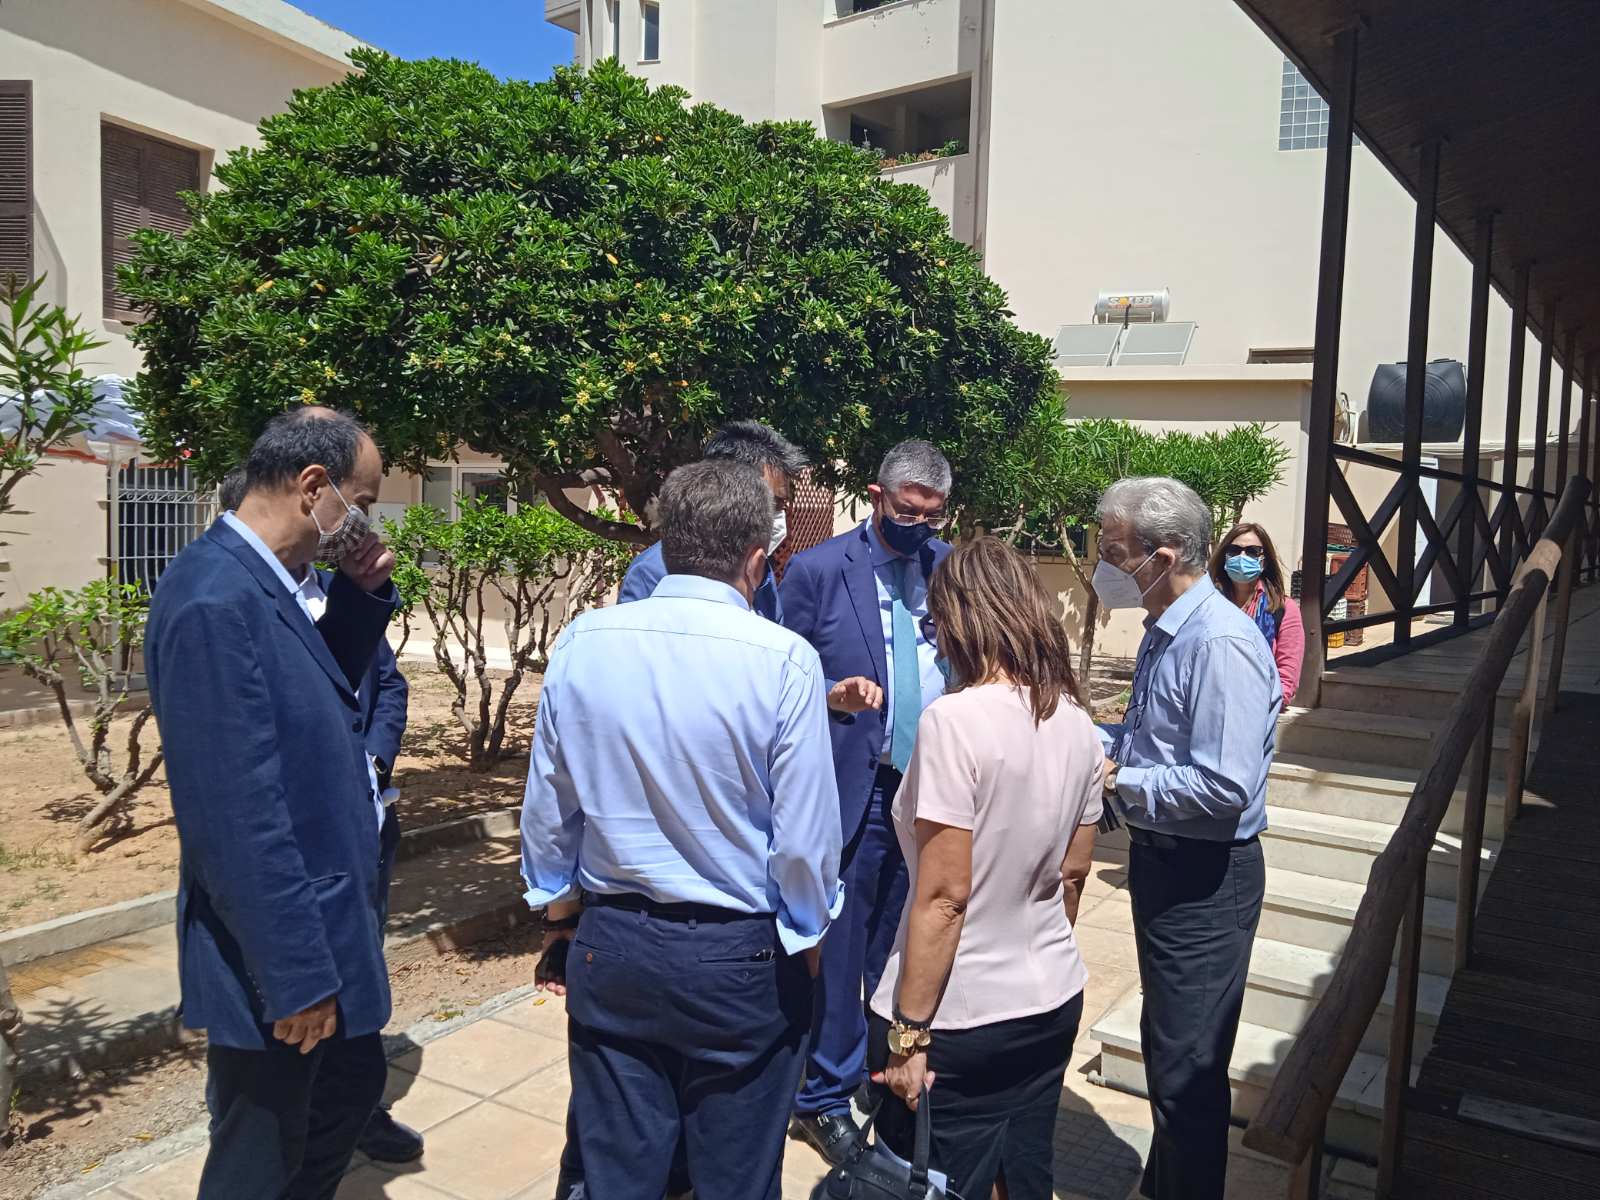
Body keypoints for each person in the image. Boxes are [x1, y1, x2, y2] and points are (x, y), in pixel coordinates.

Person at [520, 459, 844, 1200]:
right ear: (757, 558)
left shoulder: (583, 642)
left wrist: (559, 915)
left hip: (616, 945)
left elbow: (548, 811)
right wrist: (808, 936)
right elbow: (803, 843)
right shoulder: (785, 660)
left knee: (616, 1174)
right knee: (736, 1178)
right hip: (740, 959)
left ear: (667, 543)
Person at [145, 408, 400, 1200]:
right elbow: (235, 819)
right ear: (314, 487)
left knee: (346, 1092)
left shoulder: (270, 582)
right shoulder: (215, 600)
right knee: (260, 1152)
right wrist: (295, 978)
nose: (363, 523)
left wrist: (361, 595)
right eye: (362, 502)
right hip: (281, 952)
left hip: (327, 919)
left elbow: (317, 695)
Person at [867, 536, 1103, 1200]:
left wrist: (909, 1034)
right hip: (1051, 997)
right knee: (1020, 1175)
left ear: (961, 618)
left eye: (936, 620)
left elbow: (945, 895)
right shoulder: (1077, 722)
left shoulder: (954, 721)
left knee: (931, 1181)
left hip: (960, 1016)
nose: (936, 637)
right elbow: (1074, 874)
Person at [218, 467, 422, 1165]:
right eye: (355, 502)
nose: (356, 520)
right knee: (271, 1075)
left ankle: (358, 1110)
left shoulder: (335, 592)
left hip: (367, 826)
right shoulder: (235, 606)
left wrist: (372, 765)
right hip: (301, 851)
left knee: (359, 981)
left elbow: (386, 686)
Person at [1091, 477, 1280, 1200]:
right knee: (1169, 1051)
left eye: (1113, 551)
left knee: (1188, 1074)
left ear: (1163, 556)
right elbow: (1158, 742)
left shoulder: (1218, 642)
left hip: (1205, 877)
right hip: (1166, 865)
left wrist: (1121, 781)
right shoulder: (1167, 629)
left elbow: (1224, 785)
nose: (1104, 564)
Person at [781, 439, 954, 1165]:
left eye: (933, 515)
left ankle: (883, 1077)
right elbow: (780, 682)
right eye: (908, 513)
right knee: (843, 947)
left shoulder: (947, 567)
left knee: (901, 946)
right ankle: (821, 1097)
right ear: (877, 498)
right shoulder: (819, 570)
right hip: (852, 786)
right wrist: (832, 695)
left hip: (929, 789)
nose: (920, 527)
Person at [617, 419, 807, 616]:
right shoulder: (652, 573)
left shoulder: (759, 569)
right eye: (771, 503)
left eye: (780, 505)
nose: (776, 515)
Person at [1209, 521, 1304, 703]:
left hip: (1259, 707)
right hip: (1208, 704)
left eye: (1252, 551)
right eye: (1234, 550)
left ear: (1264, 561)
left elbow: (1287, 679)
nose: (1242, 556)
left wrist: (1255, 706)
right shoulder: (1208, 604)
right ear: (1224, 557)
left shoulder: (1283, 609)